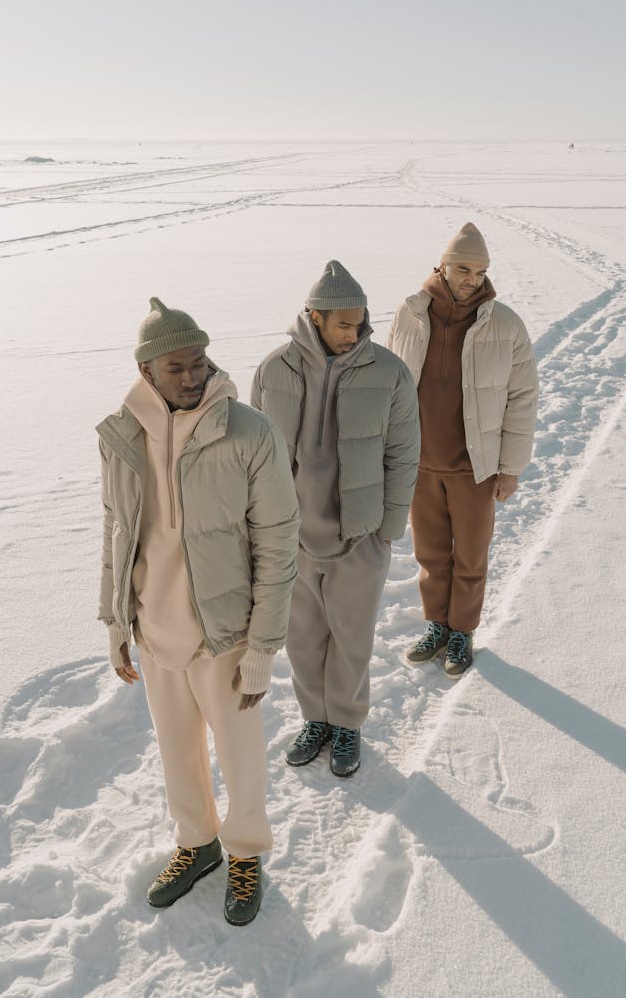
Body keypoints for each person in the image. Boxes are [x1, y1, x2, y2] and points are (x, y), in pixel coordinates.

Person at [97, 297, 299, 925]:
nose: (192, 378)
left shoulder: (248, 431)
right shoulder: (121, 434)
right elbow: (115, 530)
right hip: (155, 627)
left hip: (226, 631)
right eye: (177, 368)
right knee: (176, 748)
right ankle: (197, 843)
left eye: (200, 363)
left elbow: (278, 538)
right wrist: (114, 620)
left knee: (239, 753)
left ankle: (244, 851)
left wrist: (264, 645)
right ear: (147, 369)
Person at [251, 261, 420, 777]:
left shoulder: (389, 372)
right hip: (292, 538)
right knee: (303, 638)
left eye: (360, 323)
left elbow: (403, 453)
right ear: (314, 317)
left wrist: (388, 530)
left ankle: (346, 723)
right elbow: (252, 458)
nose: (355, 333)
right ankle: (315, 720)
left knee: (352, 637)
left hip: (359, 535)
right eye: (344, 324)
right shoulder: (273, 370)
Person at [387, 223, 538, 677]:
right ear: (443, 266)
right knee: (431, 555)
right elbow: (391, 385)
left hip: (476, 466)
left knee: (470, 556)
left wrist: (510, 468)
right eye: (463, 268)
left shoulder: (504, 323)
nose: (472, 278)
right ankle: (437, 625)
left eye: (480, 270)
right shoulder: (410, 313)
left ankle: (462, 632)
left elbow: (523, 398)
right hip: (419, 463)